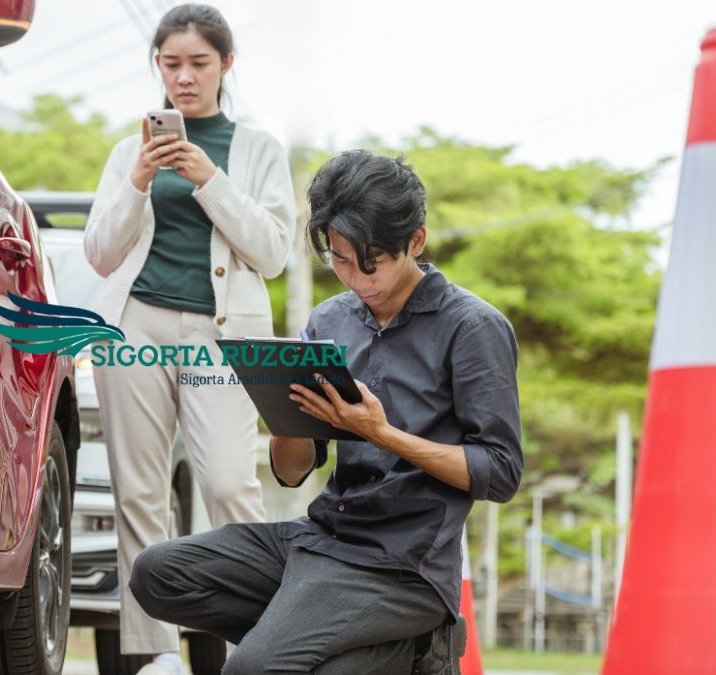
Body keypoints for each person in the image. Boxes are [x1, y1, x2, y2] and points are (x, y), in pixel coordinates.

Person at [128, 150, 524, 674]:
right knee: (158, 573)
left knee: (251, 669)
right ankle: (359, 648)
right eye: (338, 258)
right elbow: (292, 473)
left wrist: (382, 434)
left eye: (371, 261)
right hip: (320, 540)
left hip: (403, 568)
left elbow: (500, 473)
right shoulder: (331, 319)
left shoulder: (472, 327)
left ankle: (409, 640)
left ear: (416, 241)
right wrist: (283, 410)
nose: (355, 278)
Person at [83, 4, 296, 673]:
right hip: (136, 327)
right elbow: (99, 251)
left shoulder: (259, 150)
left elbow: (273, 252)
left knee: (231, 485)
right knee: (139, 492)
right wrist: (142, 178)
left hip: (218, 335)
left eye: (199, 63)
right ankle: (154, 657)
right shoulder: (128, 150)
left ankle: (253, 648)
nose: (184, 76)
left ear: (226, 65)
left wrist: (208, 178)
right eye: (170, 63)